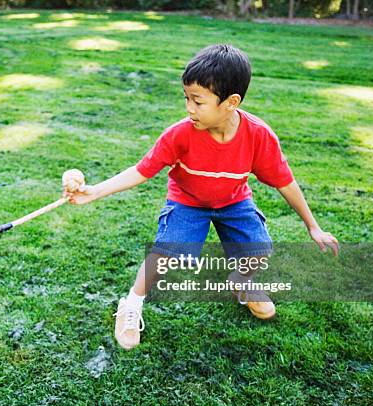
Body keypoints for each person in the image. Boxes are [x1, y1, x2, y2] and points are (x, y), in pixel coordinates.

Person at [65, 44, 339, 350]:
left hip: (234, 200)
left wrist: (312, 226)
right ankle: (131, 303)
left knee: (259, 248)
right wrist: (95, 192)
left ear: (231, 102)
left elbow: (285, 182)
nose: (189, 109)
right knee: (167, 253)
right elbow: (142, 171)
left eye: (197, 101)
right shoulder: (179, 134)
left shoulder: (258, 136)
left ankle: (241, 283)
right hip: (188, 201)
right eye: (186, 98)